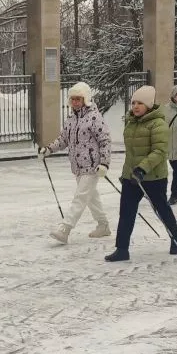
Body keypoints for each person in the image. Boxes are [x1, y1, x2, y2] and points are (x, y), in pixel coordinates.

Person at [104, 85, 177, 262]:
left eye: (140, 103)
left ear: (149, 104)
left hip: (153, 177)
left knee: (161, 209)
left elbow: (159, 151)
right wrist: (127, 173)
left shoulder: (158, 124)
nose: (136, 106)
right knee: (126, 213)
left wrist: (142, 168)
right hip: (132, 177)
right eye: (133, 103)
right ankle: (122, 249)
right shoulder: (131, 122)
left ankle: (176, 236)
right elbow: (132, 152)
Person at [38, 81, 112, 243]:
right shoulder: (71, 119)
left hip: (93, 166)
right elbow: (63, 139)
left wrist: (104, 163)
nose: (75, 102)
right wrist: (49, 149)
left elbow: (105, 141)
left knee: (80, 197)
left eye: (78, 99)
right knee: (91, 197)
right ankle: (103, 225)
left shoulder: (94, 117)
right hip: (77, 166)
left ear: (86, 99)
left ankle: (65, 228)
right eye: (73, 99)